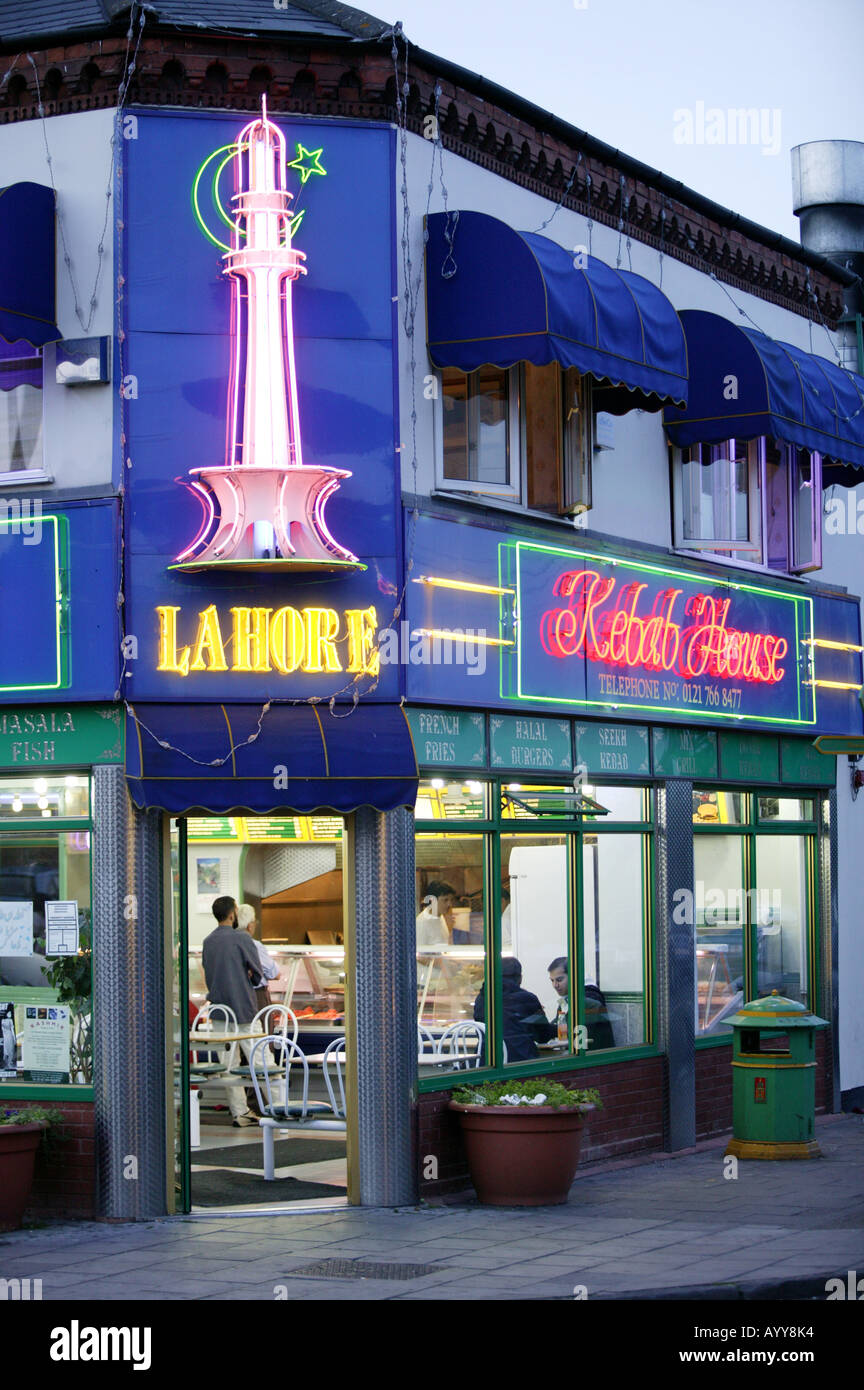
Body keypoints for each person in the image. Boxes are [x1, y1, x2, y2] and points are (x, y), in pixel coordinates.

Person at [201, 895, 266, 1127]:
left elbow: (207, 973)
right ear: (232, 914)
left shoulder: (208, 942)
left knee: (229, 1065)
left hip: (219, 1012)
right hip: (244, 1009)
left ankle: (239, 1112)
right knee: (261, 1060)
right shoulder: (241, 938)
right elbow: (258, 974)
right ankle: (279, 1108)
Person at [473, 956, 555, 1062]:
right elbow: (543, 1036)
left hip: (487, 1060)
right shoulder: (527, 998)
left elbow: (479, 1030)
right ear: (520, 978)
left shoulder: (481, 998)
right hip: (520, 1061)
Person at [547, 956, 615, 1051]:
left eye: (559, 980)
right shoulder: (567, 1000)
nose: (555, 985)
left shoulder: (590, 1000)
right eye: (552, 980)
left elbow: (581, 1037)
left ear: (574, 976)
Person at [236, 903, 278, 1014]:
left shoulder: (229, 943)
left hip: (236, 998)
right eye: (254, 922)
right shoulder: (254, 945)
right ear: (250, 925)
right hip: (256, 997)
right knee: (261, 1030)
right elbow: (274, 974)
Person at [415, 880, 456, 948]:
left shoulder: (441, 917)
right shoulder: (421, 923)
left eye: (451, 900)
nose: (450, 904)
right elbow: (419, 955)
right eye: (445, 900)